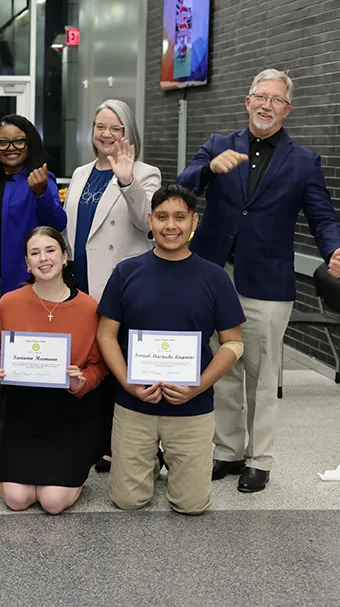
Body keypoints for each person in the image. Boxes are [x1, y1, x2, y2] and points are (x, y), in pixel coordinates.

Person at [176, 69, 340, 493]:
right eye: (260, 96)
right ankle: (228, 451)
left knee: (259, 371)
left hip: (267, 284)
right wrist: (208, 170)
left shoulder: (304, 161)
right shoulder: (220, 145)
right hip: (214, 276)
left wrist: (335, 250)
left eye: (276, 100)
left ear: (286, 109)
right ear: (247, 100)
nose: (266, 105)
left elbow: (322, 216)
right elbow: (182, 184)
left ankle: (260, 458)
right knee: (222, 366)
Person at [96, 184, 245, 514]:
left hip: (191, 405)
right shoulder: (126, 272)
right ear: (150, 221)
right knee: (127, 501)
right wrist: (127, 383)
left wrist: (198, 386)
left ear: (194, 221)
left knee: (191, 505)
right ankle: (149, 462)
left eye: (180, 217)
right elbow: (106, 335)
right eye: (162, 217)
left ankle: (168, 460)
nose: (170, 225)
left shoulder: (214, 278)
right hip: (135, 403)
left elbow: (233, 343)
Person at [0, 114, 67, 468]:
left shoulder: (41, 180)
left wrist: (41, 195)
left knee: (19, 367)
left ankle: (15, 443)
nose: (11, 149)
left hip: (20, 288)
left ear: (30, 144)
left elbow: (56, 224)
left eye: (19, 141)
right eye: (3, 143)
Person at [64, 99, 161, 473]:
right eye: (100, 126)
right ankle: (92, 440)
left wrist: (126, 180)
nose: (106, 134)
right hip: (83, 283)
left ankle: (116, 445)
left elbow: (147, 223)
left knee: (117, 364)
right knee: (89, 363)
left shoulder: (144, 172)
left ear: (129, 132)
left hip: (121, 284)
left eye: (115, 128)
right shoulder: (81, 172)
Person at [0, 227, 107, 515]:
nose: (43, 258)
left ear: (65, 257)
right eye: (34, 253)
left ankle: (74, 471)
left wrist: (82, 382)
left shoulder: (90, 307)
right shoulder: (9, 302)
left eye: (50, 250)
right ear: (27, 263)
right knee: (17, 500)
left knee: (53, 503)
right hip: (23, 414)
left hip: (71, 415)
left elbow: (99, 365)